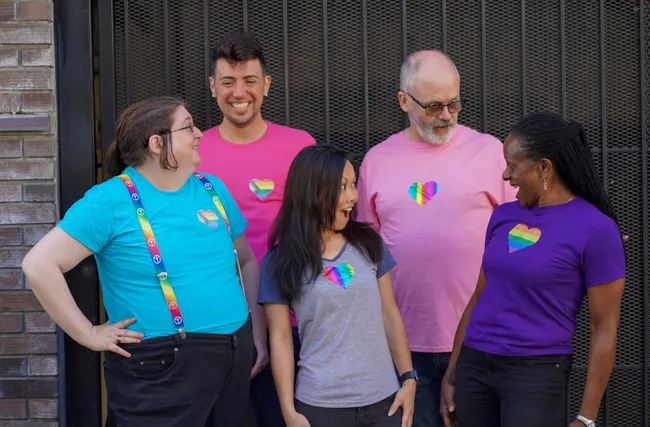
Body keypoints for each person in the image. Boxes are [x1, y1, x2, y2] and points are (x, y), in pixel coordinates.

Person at [22, 96, 258, 427]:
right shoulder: (109, 201)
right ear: (157, 143)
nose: (200, 133)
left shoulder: (212, 189)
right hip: (162, 367)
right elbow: (39, 264)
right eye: (188, 126)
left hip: (234, 351)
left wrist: (253, 330)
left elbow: (244, 260)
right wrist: (88, 333)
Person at [356, 50, 516, 427]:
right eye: (433, 106)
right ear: (403, 101)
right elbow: (366, 252)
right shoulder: (377, 161)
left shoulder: (491, 152)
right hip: (404, 345)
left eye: (454, 103)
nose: (446, 115)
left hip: (482, 338)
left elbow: (518, 239)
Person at [440, 111, 626, 427]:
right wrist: (453, 373)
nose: (505, 176)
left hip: (536, 374)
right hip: (475, 366)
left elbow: (605, 329)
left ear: (544, 168)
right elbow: (479, 297)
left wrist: (586, 418)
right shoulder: (503, 216)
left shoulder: (596, 230)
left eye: (513, 166)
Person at [198, 29, 316, 426]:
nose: (239, 92)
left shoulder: (300, 146)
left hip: (294, 319)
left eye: (249, 80)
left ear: (266, 84)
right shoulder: (192, 154)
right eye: (228, 82)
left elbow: (324, 228)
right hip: (215, 321)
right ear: (212, 86)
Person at [258, 145, 416, 427]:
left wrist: (408, 379)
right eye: (341, 186)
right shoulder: (279, 260)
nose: (352, 197)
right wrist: (288, 410)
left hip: (384, 402)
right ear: (312, 191)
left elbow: (390, 314)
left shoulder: (369, 243)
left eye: (353, 185)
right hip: (319, 406)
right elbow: (280, 338)